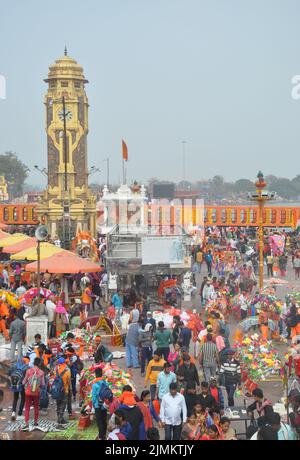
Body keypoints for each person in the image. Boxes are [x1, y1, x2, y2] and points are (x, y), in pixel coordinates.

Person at [22, 357, 45, 431]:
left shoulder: (28, 371)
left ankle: (26, 423)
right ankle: (35, 422)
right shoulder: (41, 372)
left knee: (27, 408)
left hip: (28, 392)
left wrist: (25, 384)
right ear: (39, 364)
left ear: (34, 363)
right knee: (36, 407)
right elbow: (43, 384)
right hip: (36, 392)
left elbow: (24, 381)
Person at [92, 368, 111, 440]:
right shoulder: (105, 382)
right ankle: (104, 435)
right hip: (104, 404)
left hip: (98, 405)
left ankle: (100, 437)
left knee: (99, 421)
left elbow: (94, 397)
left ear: (96, 374)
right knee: (104, 419)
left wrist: (94, 404)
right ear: (102, 374)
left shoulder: (95, 384)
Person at [8, 356, 29, 421]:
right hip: (21, 384)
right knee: (23, 398)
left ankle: (13, 412)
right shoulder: (26, 367)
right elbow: (27, 377)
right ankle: (19, 414)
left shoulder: (14, 366)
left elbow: (9, 373)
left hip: (15, 384)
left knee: (15, 398)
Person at [54, 357, 71, 426]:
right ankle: (61, 418)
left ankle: (58, 417)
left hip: (57, 390)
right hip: (64, 389)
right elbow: (69, 381)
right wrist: (71, 389)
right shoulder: (67, 370)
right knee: (63, 404)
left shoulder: (56, 369)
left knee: (58, 403)